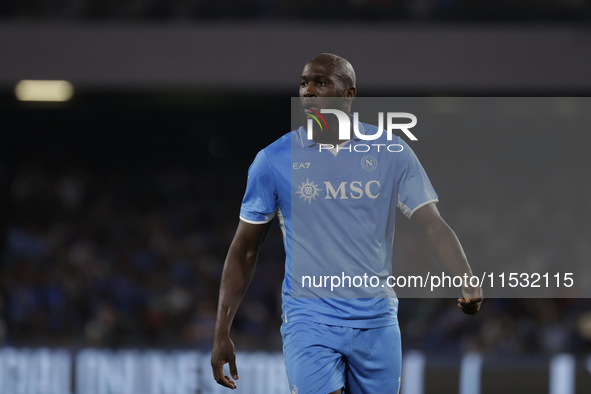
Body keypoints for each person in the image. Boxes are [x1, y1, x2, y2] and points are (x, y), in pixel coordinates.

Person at [211, 53, 482, 393]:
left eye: (321, 82)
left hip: (377, 321)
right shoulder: (273, 160)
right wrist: (222, 330)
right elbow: (244, 250)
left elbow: (432, 224)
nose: (308, 91)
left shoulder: (391, 152)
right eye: (304, 83)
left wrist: (466, 278)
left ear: (349, 94)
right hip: (309, 321)